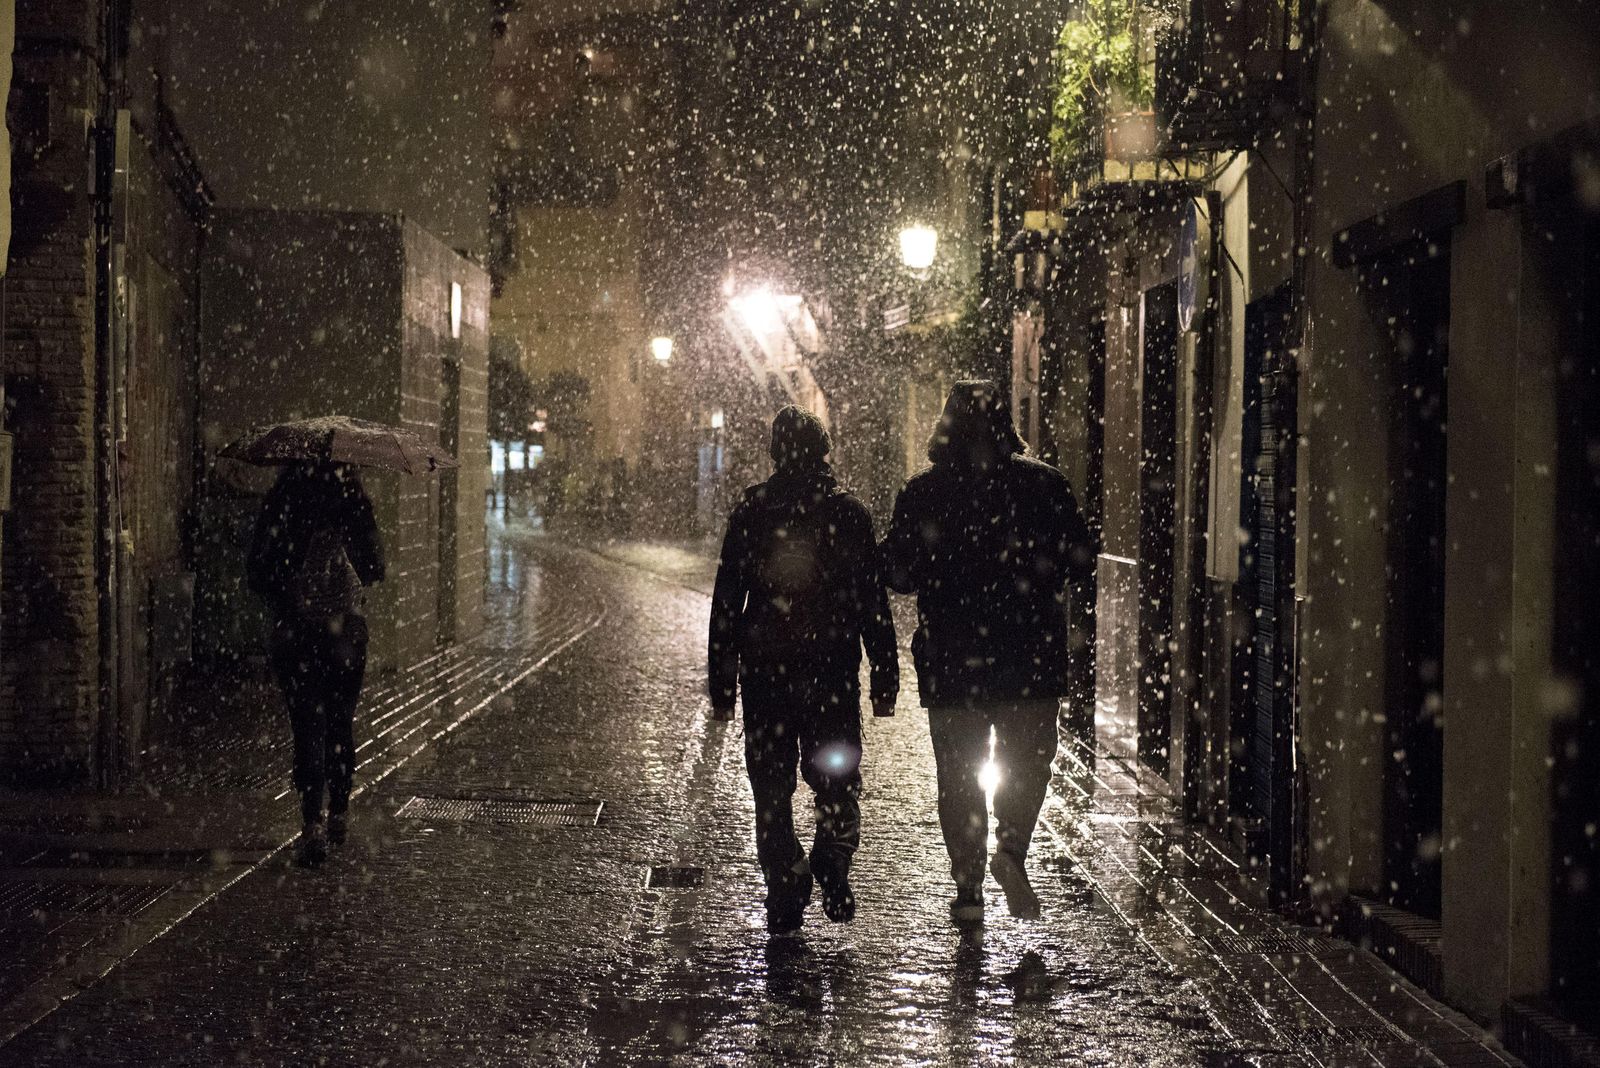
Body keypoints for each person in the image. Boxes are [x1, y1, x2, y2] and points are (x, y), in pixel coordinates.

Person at [883, 381, 1093, 923]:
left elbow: (899, 574)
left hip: (953, 661)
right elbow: (1081, 559)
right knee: (1028, 763)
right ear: (1006, 425)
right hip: (1030, 658)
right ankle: (1012, 847)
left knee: (958, 776)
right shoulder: (1045, 485)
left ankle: (968, 886)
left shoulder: (924, 492)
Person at [708, 406, 898, 934]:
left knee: (771, 788)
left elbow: (727, 603)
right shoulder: (849, 514)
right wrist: (884, 674)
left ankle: (785, 882)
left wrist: (722, 684)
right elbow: (871, 602)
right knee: (836, 776)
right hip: (831, 674)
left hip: (766, 676)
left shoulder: (752, 513)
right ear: (824, 453)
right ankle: (832, 856)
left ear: (775, 453)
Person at [247, 461, 386, 867]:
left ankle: (312, 823)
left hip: (297, 631)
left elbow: (258, 571)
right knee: (340, 721)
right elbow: (375, 567)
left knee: (307, 724)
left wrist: (290, 584)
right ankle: (339, 808)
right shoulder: (353, 496)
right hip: (345, 634)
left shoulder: (284, 496)